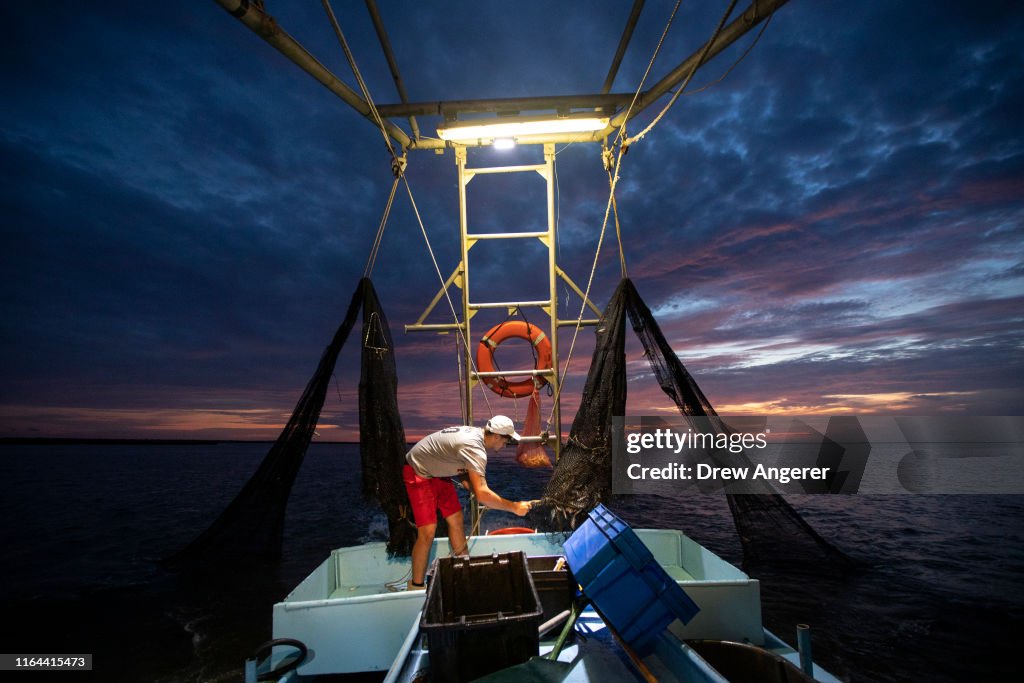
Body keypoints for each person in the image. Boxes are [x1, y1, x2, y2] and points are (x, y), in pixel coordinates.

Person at [402, 415, 533, 590]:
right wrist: (514, 507)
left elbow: (462, 469)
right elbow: (483, 495)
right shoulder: (475, 448)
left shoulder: (476, 434)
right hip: (417, 470)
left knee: (456, 519)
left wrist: (480, 492)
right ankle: (416, 586)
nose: (504, 446)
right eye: (506, 441)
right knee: (427, 531)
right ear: (496, 436)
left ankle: (465, 571)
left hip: (437, 471)